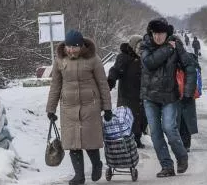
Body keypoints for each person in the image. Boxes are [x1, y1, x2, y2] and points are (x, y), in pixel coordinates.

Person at [47, 30, 113, 185]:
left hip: (90, 106)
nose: (71, 50)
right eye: (69, 47)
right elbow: (55, 85)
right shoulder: (60, 60)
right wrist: (51, 108)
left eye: (75, 47)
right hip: (68, 108)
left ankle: (97, 165)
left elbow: (103, 84)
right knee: (73, 144)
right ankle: (79, 176)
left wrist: (107, 107)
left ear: (82, 46)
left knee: (89, 141)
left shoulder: (93, 59)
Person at [140, 18, 197, 178]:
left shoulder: (176, 45)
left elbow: (190, 67)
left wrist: (187, 92)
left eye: (162, 33)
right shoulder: (145, 45)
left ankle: (181, 156)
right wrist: (166, 49)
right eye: (155, 33)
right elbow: (149, 63)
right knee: (155, 134)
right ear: (151, 33)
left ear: (167, 33)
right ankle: (167, 166)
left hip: (170, 96)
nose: (158, 37)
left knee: (169, 129)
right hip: (150, 97)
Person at [107, 38, 147, 148]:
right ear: (133, 46)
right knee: (129, 117)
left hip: (141, 93)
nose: (140, 49)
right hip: (127, 93)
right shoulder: (124, 57)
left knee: (141, 117)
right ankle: (129, 140)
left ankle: (137, 138)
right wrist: (111, 80)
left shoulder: (144, 57)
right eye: (139, 46)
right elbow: (115, 70)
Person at [179, 51, 200, 152]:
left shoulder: (181, 60)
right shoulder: (192, 61)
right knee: (185, 120)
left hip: (181, 94)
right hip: (188, 95)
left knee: (180, 120)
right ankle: (186, 144)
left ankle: (184, 144)